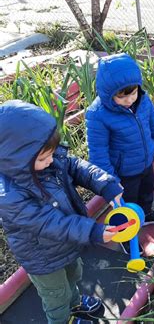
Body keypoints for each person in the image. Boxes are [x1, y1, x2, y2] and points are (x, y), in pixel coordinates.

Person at [0, 100, 123, 324]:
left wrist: (106, 185)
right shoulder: (10, 196)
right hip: (42, 257)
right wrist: (93, 231)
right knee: (56, 296)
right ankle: (63, 319)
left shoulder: (48, 159)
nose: (51, 160)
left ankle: (75, 303)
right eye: (43, 158)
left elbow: (77, 167)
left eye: (52, 153)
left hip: (65, 244)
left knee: (73, 274)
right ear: (16, 159)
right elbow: (50, 223)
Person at [86, 53, 154, 229]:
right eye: (122, 97)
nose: (129, 100)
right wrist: (110, 181)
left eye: (133, 93)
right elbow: (98, 153)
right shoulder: (98, 114)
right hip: (123, 172)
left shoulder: (143, 101)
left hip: (146, 162)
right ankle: (126, 234)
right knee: (126, 204)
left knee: (148, 190)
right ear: (107, 94)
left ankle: (146, 214)